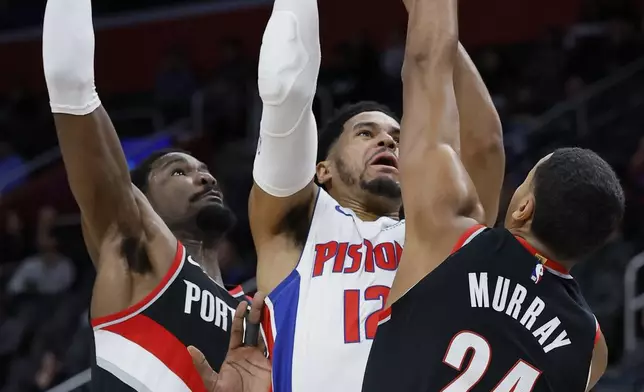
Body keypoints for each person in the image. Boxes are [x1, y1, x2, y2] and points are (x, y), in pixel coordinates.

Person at [361, 0, 622, 390]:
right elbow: (484, 145)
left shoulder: (451, 236)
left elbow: (426, 62)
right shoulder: (591, 348)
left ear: (523, 207)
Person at [249, 0, 504, 391]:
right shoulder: (297, 226)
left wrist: (432, 23)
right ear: (323, 170)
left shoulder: (437, 234)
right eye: (365, 133)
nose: (387, 139)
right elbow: (285, 85)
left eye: (398, 139)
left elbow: (484, 145)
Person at [42, 0, 247, 390]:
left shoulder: (252, 314)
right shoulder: (132, 248)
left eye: (205, 171)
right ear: (144, 201)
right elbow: (70, 82)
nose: (204, 179)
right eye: (179, 171)